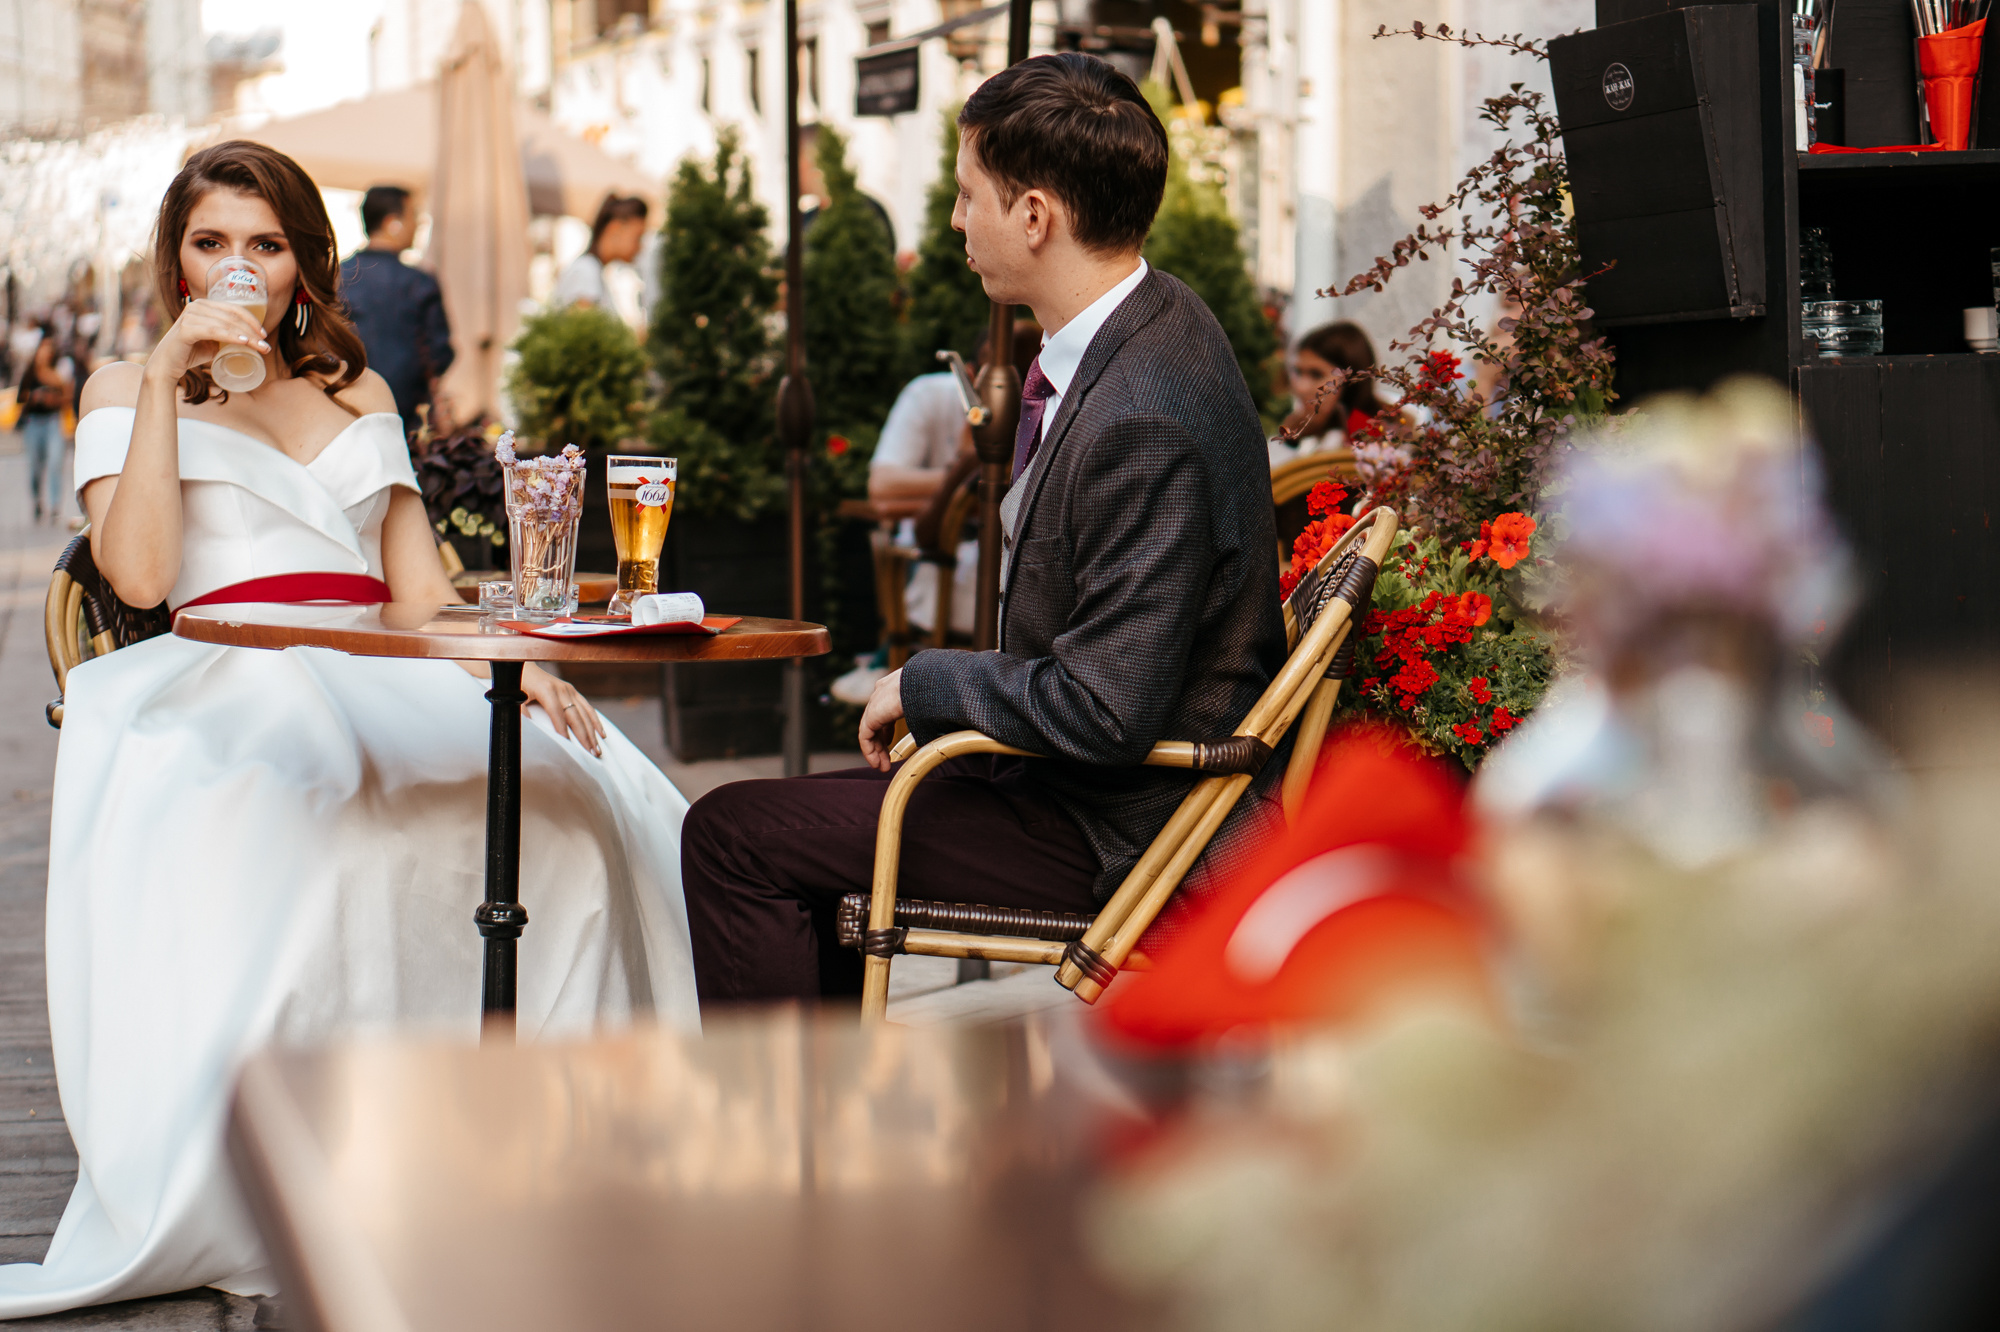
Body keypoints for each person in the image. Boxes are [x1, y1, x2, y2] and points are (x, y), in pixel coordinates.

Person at [0, 141, 697, 1319]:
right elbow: (147, 575)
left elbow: (417, 592)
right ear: (177, 258)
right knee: (328, 806)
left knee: (581, 804)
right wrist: (171, 380)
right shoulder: (125, 384)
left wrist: (515, 668)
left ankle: (540, 1141)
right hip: (228, 662)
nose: (239, 267)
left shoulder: (361, 391)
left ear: (306, 263)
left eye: (264, 244)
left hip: (386, 656)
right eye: (211, 242)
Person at [681, 53, 1286, 1003]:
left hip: (1127, 831)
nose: (957, 221)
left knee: (731, 837)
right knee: (774, 830)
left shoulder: (1142, 412)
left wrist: (925, 682)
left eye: (969, 196)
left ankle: (787, 1135)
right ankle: (829, 1127)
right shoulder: (1158, 323)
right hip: (1087, 793)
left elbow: (1105, 711)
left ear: (1036, 215)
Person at [338, 185, 454, 435]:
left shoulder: (335, 276)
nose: (418, 225)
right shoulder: (418, 282)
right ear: (393, 222)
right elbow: (440, 353)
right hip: (405, 419)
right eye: (414, 216)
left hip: (343, 413)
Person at [1267, 320, 1384, 466]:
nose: (1301, 387)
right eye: (1298, 372)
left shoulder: (1369, 444)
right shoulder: (1318, 434)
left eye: (1316, 374)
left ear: (1349, 382)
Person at [555, 194, 649, 313]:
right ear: (615, 229)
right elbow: (584, 328)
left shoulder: (591, 270)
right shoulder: (587, 270)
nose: (640, 247)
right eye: (638, 237)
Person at [17, 315, 71, 523]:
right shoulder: (30, 373)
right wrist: (35, 396)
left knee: (56, 462)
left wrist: (53, 398)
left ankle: (55, 505)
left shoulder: (59, 370)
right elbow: (20, 398)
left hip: (52, 421)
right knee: (35, 467)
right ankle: (37, 500)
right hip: (33, 423)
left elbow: (68, 396)